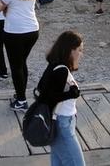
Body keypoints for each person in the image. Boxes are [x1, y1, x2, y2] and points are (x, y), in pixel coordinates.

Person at [38, 31, 85, 166]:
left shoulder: (54, 65)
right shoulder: (62, 70)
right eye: (79, 50)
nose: (81, 54)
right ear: (71, 51)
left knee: (58, 162)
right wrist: (72, 94)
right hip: (62, 124)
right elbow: (50, 97)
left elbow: (41, 88)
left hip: (59, 122)